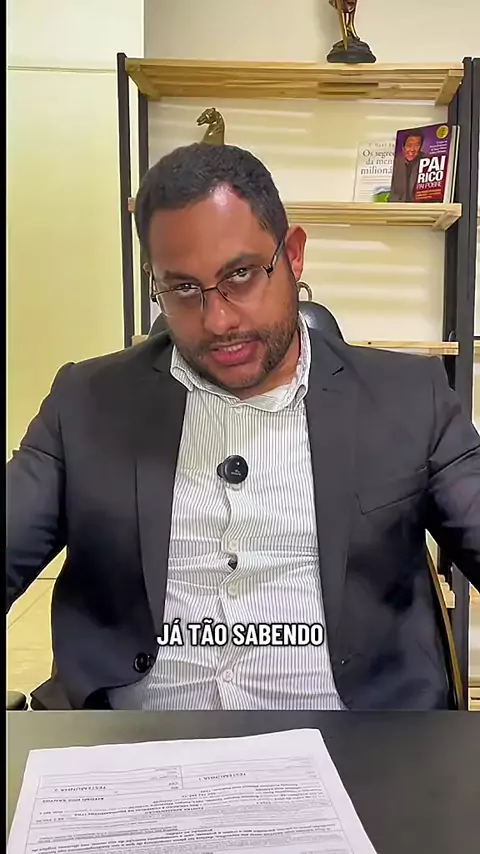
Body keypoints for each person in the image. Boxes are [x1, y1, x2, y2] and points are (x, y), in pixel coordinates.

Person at [7, 143, 480, 711]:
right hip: (131, 744)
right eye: (183, 288)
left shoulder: (408, 398)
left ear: (293, 255)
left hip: (359, 744)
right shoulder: (86, 402)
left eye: (241, 274)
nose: (219, 320)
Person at [389, 131, 426, 202]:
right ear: (403, 147)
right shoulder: (395, 163)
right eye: (409, 145)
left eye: (417, 145)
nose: (412, 150)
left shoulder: (427, 162)